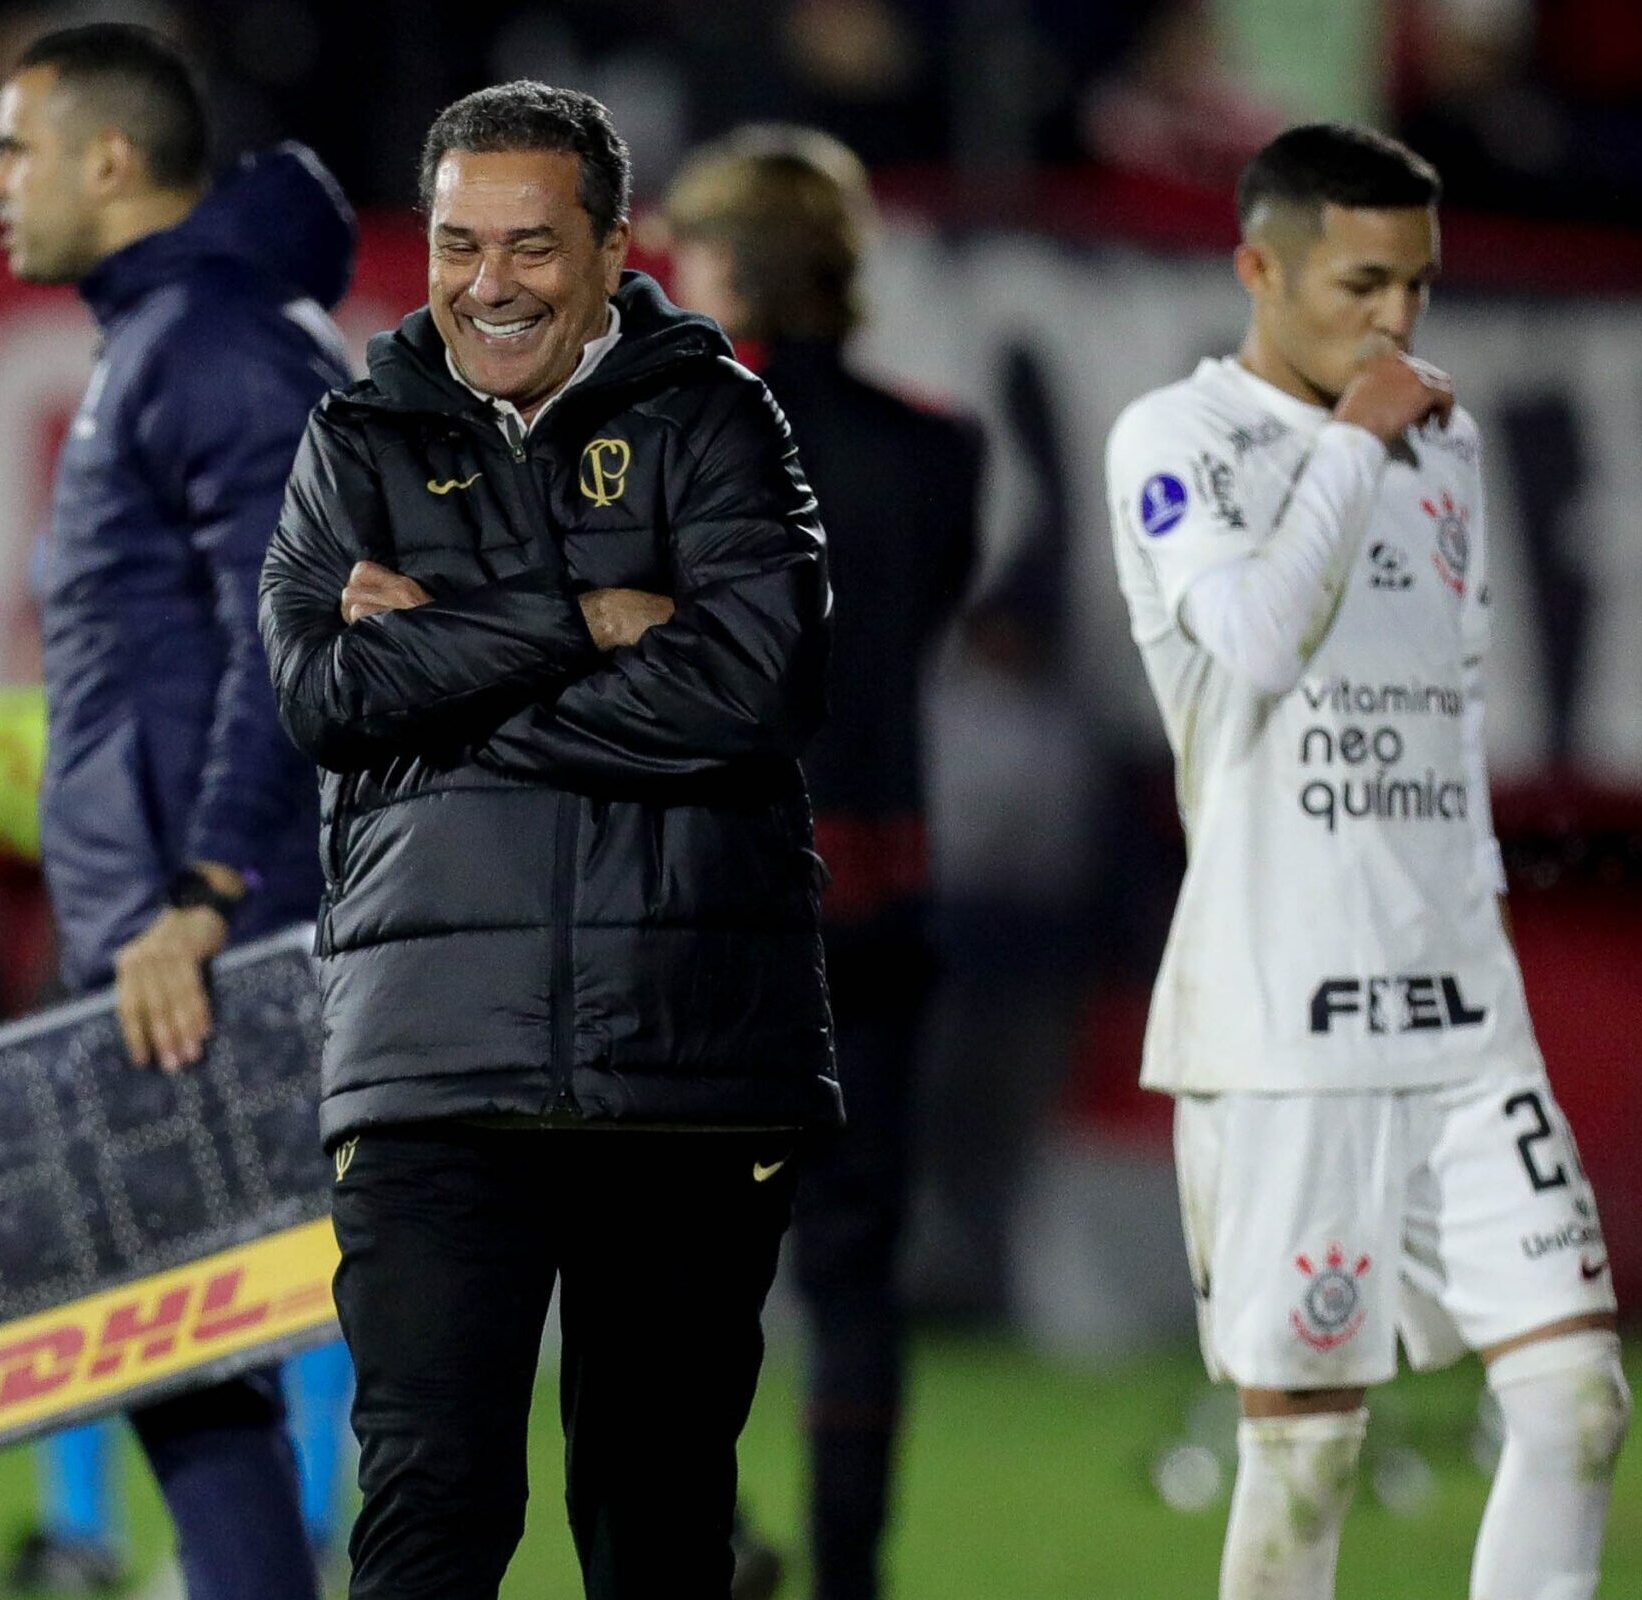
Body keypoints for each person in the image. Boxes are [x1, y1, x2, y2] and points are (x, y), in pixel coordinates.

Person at [259, 81, 838, 1600]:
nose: (489, 282)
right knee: (431, 1507)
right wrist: (579, 619)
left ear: (609, 248)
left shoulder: (714, 415)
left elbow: (749, 688)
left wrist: (442, 672)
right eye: (459, 243)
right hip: (435, 1060)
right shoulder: (356, 437)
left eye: (528, 245)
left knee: (657, 1522)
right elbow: (321, 698)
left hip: (684, 1058)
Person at [1103, 123, 1628, 1600]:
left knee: (1579, 1405)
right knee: (1310, 1458)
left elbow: (1447, 713)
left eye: (1419, 285)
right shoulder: (1174, 438)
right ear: (1257, 269)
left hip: (1464, 1016)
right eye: (1361, 283)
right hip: (1285, 1024)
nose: (1396, 321)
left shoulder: (1442, 444)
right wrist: (1351, 442)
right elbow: (1260, 640)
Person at [0, 22, 353, 1600]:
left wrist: (205, 890)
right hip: (173, 929)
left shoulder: (206, 346)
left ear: (110, 162)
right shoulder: (170, 335)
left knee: (201, 1360)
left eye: (16, 147)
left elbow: (294, 631)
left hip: (210, 938)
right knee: (189, 1367)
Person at [660, 126, 981, 1600]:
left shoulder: (669, 431)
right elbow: (913, 633)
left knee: (678, 1266)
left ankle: (714, 1544)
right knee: (855, 1275)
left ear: (728, 266)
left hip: (711, 909)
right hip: (883, 897)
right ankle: (852, 1576)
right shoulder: (936, 444)